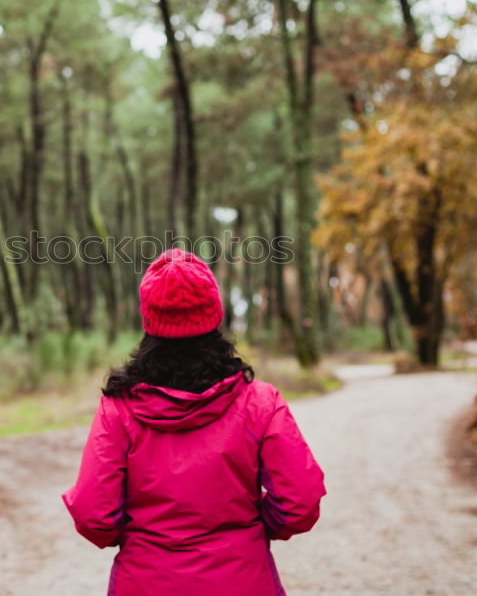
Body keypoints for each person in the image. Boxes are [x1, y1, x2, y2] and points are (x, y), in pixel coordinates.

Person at [63, 248, 326, 596]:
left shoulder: (119, 408)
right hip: (242, 579)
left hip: (146, 582)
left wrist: (141, 536)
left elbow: (93, 513)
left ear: (150, 321)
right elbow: (299, 501)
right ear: (214, 316)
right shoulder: (260, 402)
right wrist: (254, 529)